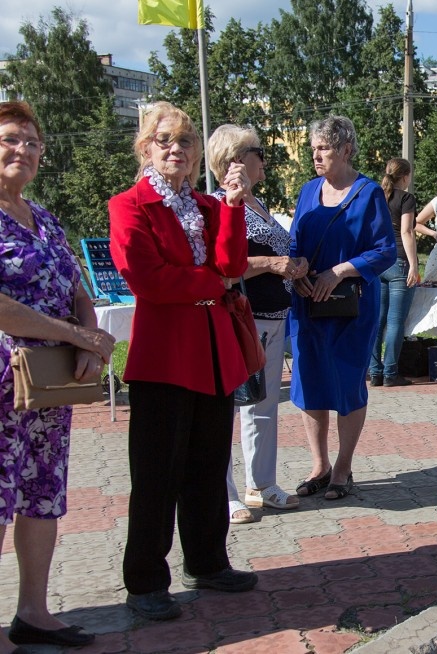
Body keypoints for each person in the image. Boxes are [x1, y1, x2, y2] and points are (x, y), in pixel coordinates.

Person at [109, 101, 258, 621]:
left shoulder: (209, 205)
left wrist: (235, 206)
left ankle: (208, 561)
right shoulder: (129, 205)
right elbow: (145, 277)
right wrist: (210, 284)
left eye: (187, 140)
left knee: (208, 464)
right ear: (146, 147)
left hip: (214, 351)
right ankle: (146, 580)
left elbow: (233, 264)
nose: (177, 148)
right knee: (156, 472)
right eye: (165, 139)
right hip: (164, 354)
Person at [0, 101, 113, 650]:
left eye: (31, 142)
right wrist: (73, 336)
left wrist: (89, 335)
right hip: (4, 377)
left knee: (42, 493)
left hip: (48, 382)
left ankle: (34, 612)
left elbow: (76, 287)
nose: (21, 150)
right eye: (10, 139)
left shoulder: (43, 217)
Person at [290, 115, 396, 501]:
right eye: (314, 148)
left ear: (346, 150)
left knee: (347, 383)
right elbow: (295, 242)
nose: (316, 155)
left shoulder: (368, 193)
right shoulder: (307, 191)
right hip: (307, 304)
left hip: (351, 308)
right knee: (309, 382)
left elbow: (385, 251)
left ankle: (344, 466)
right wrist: (296, 270)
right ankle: (319, 465)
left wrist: (338, 272)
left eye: (324, 148)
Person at [206, 124, 308, 524]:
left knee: (263, 406)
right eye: (257, 151)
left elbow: (276, 254)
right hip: (239, 319)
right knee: (230, 407)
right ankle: (226, 494)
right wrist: (272, 264)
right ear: (236, 159)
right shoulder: (218, 205)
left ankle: (261, 484)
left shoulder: (258, 204)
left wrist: (293, 267)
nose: (264, 158)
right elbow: (221, 264)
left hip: (273, 317)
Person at [369, 158, 419, 387]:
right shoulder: (406, 198)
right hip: (399, 261)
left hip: (377, 263)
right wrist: (414, 265)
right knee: (395, 321)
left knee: (376, 321)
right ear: (405, 177)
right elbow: (407, 232)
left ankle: (374, 371)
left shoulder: (376, 196)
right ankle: (390, 373)